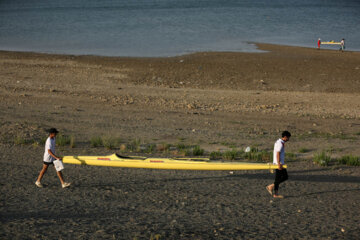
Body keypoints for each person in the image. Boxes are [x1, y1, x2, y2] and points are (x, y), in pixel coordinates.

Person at [266, 131, 291, 198]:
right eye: (288, 138)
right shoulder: (280, 143)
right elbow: (278, 153)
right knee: (285, 177)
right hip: (279, 163)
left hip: (277, 163)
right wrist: (279, 163)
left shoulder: (279, 142)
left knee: (278, 178)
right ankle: (271, 186)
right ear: (285, 137)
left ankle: (275, 194)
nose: (288, 139)